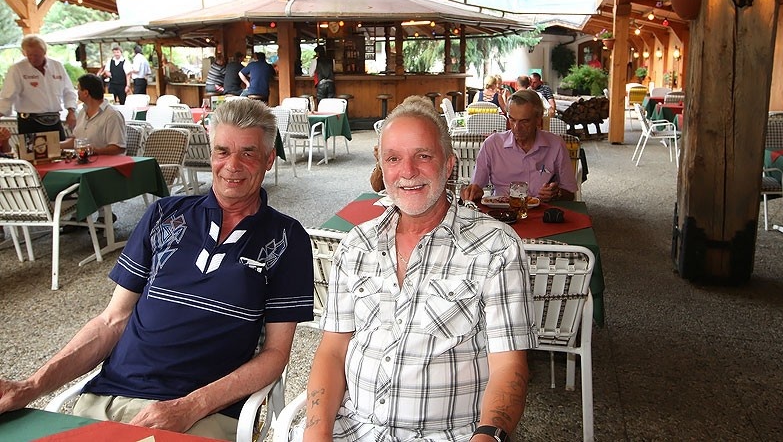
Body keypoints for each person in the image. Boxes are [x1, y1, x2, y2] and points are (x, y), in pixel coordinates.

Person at [0, 98, 314, 441]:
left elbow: (275, 354)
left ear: (269, 159)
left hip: (202, 413)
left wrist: (191, 406)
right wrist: (30, 386)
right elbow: (112, 320)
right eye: (222, 151)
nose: (232, 165)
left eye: (248, 153)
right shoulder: (164, 214)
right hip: (109, 397)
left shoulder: (286, 238)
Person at [302, 95, 536, 442]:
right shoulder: (355, 245)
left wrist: (489, 435)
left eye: (423, 156)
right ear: (382, 168)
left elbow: (509, 365)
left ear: (449, 164)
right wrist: (317, 433)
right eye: (393, 158)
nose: (408, 172)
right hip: (353, 428)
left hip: (449, 435)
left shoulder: (495, 247)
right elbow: (333, 350)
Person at [461, 89, 577, 203]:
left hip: (542, 211)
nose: (517, 128)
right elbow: (475, 186)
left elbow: (570, 193)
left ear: (538, 119)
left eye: (524, 121)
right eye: (512, 120)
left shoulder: (556, 144)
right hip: (501, 210)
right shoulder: (493, 144)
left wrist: (556, 193)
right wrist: (472, 192)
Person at [0, 34, 78, 139]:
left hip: (54, 121)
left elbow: (68, 91)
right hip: (29, 122)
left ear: (44, 52)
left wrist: (71, 111)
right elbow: (7, 96)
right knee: (31, 150)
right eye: (29, 55)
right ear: (24, 53)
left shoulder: (57, 66)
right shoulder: (17, 69)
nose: (33, 58)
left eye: (36, 55)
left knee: (60, 149)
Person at [60, 74, 127, 155]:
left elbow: (119, 148)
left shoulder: (112, 115)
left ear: (86, 93)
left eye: (78, 89)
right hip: (84, 159)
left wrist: (93, 151)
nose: (77, 92)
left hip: (105, 161)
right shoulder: (82, 112)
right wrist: (55, 146)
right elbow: (75, 141)